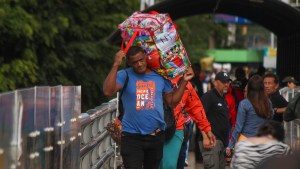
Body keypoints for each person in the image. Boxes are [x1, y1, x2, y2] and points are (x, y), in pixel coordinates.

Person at [102, 46, 195, 169]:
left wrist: (184, 81)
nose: (139, 64)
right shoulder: (124, 75)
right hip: (131, 136)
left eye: (141, 59)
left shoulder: (160, 76)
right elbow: (108, 91)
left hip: (155, 137)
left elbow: (171, 102)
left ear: (146, 57)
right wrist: (116, 64)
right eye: (135, 62)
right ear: (129, 63)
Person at [160, 76, 216, 169]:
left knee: (169, 165)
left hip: (175, 129)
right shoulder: (149, 77)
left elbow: (195, 107)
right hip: (149, 129)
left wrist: (207, 130)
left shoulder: (185, 84)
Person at [226, 75, 273, 153]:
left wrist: (231, 145)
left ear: (249, 88)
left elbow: (238, 127)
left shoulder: (244, 104)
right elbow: (270, 121)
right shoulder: (268, 103)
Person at [199, 71, 231, 169]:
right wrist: (205, 137)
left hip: (222, 142)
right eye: (224, 82)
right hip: (211, 141)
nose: (227, 84)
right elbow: (200, 117)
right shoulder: (208, 96)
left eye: (228, 82)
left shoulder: (223, 99)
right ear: (216, 82)